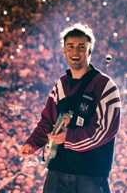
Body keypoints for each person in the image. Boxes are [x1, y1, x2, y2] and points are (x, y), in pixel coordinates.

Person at [21, 23, 121, 193]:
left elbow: (105, 131)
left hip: (90, 175)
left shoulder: (105, 86)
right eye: (70, 47)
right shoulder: (60, 85)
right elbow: (48, 120)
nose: (75, 52)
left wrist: (69, 138)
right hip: (57, 171)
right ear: (64, 51)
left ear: (90, 51)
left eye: (81, 47)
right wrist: (33, 142)